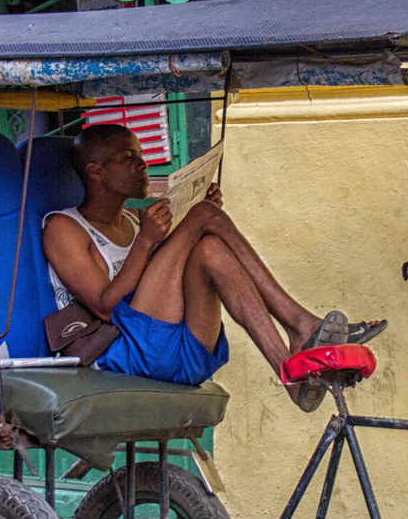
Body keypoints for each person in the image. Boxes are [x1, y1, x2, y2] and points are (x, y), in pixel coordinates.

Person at [42, 123, 384, 409]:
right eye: (128, 158)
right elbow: (105, 308)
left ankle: (290, 374)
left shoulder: (134, 220)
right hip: (127, 352)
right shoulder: (62, 227)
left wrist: (183, 227)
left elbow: (165, 285)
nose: (143, 165)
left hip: (178, 345)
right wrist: (149, 242)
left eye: (142, 156)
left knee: (209, 248)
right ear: (95, 172)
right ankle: (300, 324)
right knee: (204, 219)